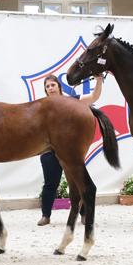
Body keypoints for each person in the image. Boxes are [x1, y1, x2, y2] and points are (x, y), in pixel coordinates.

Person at [37, 73, 104, 226]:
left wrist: (99, 80)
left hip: (69, 151)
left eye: (53, 85)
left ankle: (84, 214)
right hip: (49, 151)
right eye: (47, 86)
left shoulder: (72, 100)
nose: (50, 88)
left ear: (59, 86)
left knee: (77, 181)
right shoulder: (42, 105)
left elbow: (93, 97)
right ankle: (45, 215)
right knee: (50, 184)